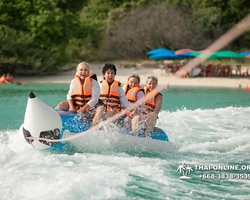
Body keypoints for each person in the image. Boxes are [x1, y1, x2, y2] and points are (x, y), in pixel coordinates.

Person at [54, 62, 103, 126]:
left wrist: (82, 110)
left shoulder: (93, 82)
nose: (83, 72)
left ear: (89, 72)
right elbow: (69, 95)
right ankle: (50, 119)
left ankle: (93, 127)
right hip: (76, 107)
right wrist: (71, 107)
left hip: (89, 110)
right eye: (81, 70)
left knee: (101, 108)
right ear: (77, 71)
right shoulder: (74, 81)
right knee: (62, 104)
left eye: (85, 70)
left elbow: (94, 99)